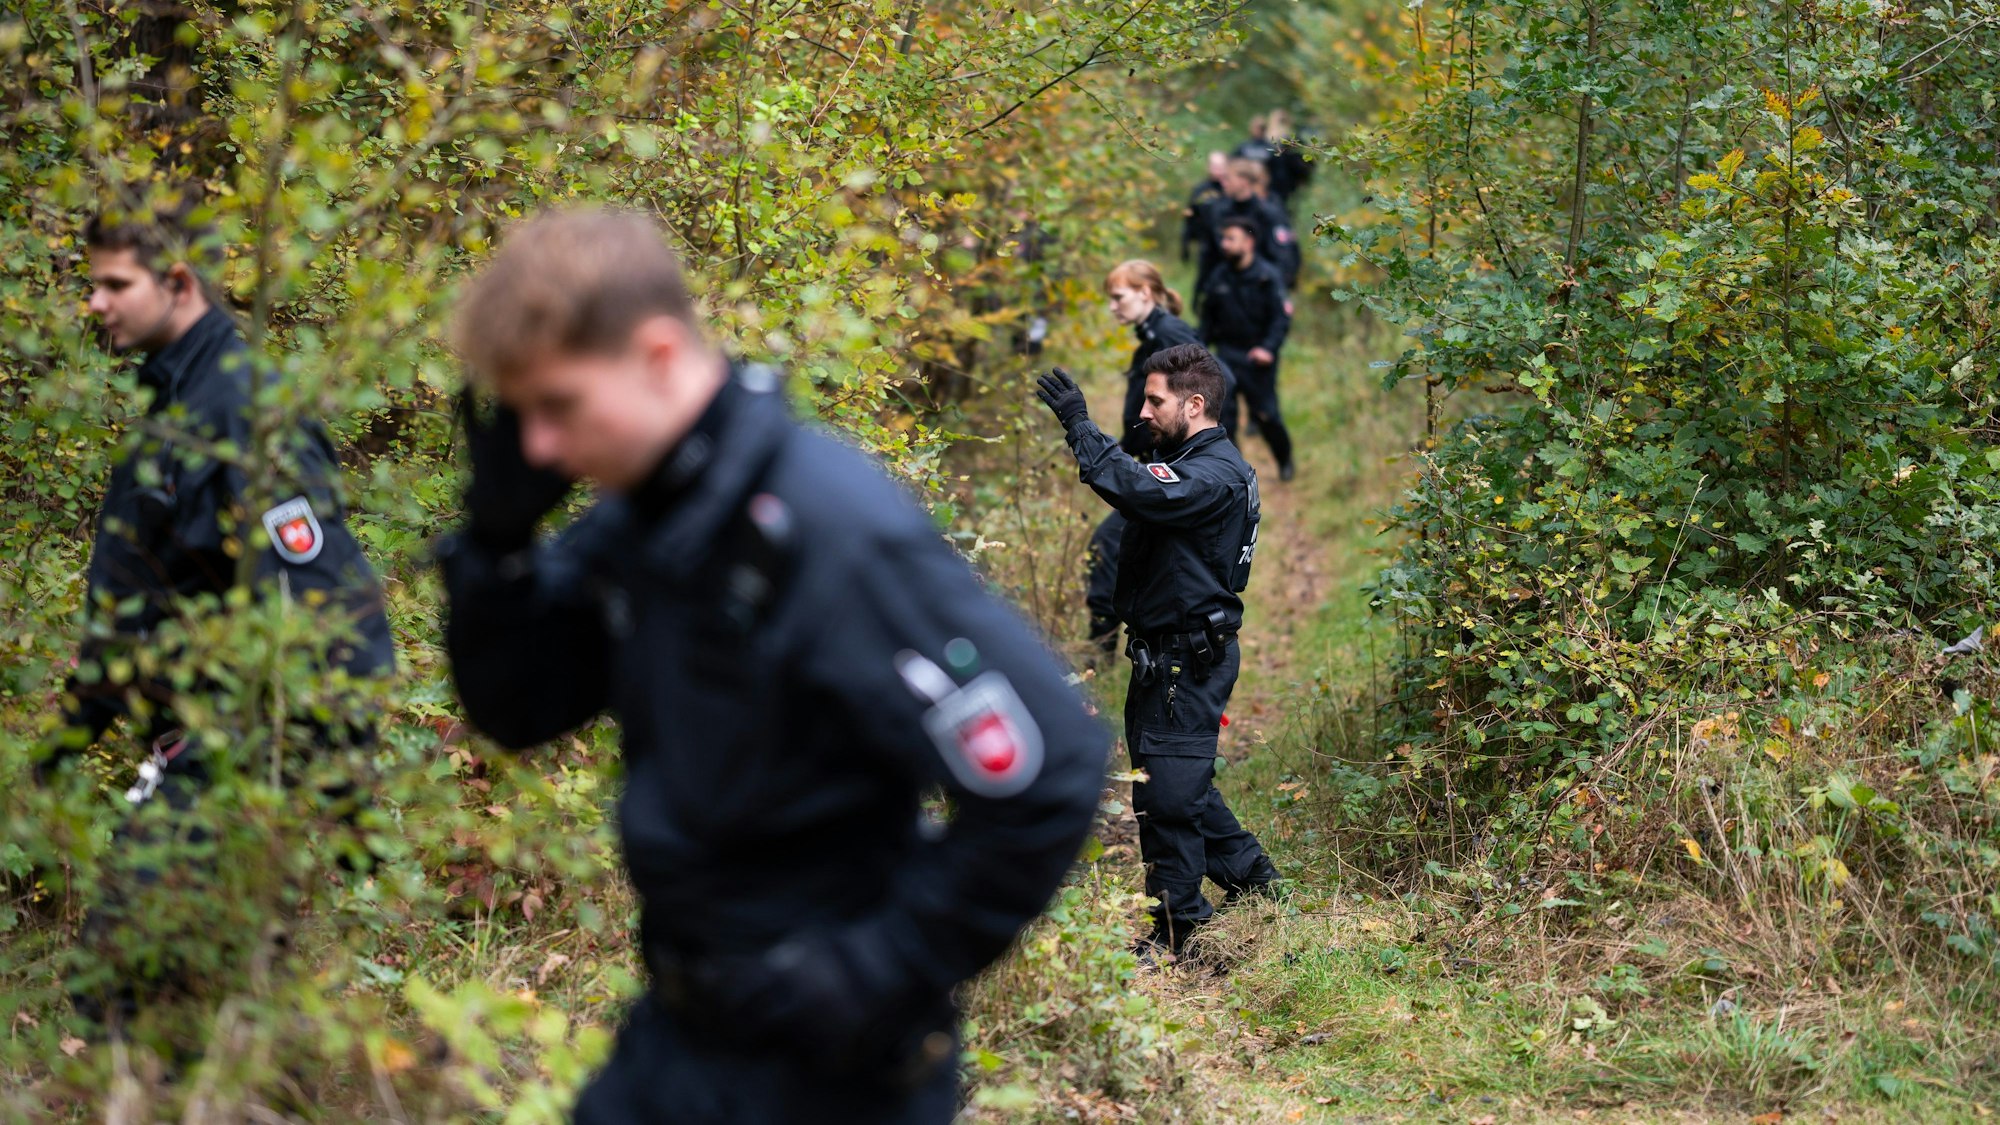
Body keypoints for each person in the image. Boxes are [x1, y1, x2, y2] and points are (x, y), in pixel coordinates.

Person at [437, 208, 1108, 1124]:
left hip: (832, 1068)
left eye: (558, 406)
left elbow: (1051, 764)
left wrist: (874, 970)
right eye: (525, 417)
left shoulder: (831, 529)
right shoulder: (646, 519)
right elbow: (519, 707)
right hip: (684, 1037)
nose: (542, 446)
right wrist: (498, 550)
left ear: (660, 354)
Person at [39, 192, 394, 1025]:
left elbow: (329, 609)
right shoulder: (176, 402)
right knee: (187, 1018)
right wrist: (74, 735)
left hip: (233, 767)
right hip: (190, 754)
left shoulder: (241, 409)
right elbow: (142, 598)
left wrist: (333, 793)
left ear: (178, 281)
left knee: (116, 997)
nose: (94, 303)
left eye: (114, 284)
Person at [1036, 346, 1279, 958]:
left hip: (1185, 660)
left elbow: (1136, 488)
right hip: (1163, 657)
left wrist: (1080, 426)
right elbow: (1139, 490)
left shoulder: (1213, 473)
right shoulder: (1194, 461)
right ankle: (1255, 882)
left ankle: (1180, 930)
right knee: (1175, 780)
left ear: (1195, 405)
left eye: (1155, 401)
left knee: (1168, 796)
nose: (1143, 411)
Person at [1086, 260, 1215, 654]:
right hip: (1154, 465)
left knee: (1107, 546)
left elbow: (1218, 382)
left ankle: (1102, 653)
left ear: (1145, 292)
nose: (1112, 306)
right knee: (1130, 548)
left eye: (1118, 297)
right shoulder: (1152, 333)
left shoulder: (1170, 334)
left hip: (1169, 470)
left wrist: (1184, 453)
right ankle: (1126, 648)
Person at [1200, 217, 1296, 482]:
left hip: (1257, 359)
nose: (1224, 244)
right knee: (1223, 421)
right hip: (1225, 355)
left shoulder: (1267, 276)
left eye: (1231, 238)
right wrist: (1198, 353)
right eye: (1223, 239)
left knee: (1267, 416)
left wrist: (1268, 348)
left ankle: (1284, 459)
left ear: (1249, 242)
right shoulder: (1218, 276)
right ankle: (1236, 473)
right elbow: (1206, 322)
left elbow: (1281, 318)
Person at [1200, 158, 1298, 297]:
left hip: (1260, 287)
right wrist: (1201, 290)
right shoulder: (1219, 211)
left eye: (1228, 178)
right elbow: (1209, 254)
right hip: (1225, 287)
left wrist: (1277, 290)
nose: (1223, 183)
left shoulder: (1268, 214)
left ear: (1243, 181)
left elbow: (1283, 256)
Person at [1180, 151, 1229, 270]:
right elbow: (1190, 216)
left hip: (1228, 242)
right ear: (1208, 167)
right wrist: (1185, 244)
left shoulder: (1231, 189)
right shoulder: (1200, 190)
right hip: (1206, 243)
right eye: (1214, 166)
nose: (1217, 170)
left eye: (1220, 166)